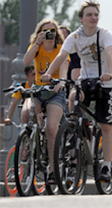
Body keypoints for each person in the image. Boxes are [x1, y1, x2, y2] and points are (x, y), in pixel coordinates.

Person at [42, 0, 112, 182]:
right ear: (81, 18)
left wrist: (110, 74)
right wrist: (47, 73)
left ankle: (106, 165)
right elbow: (61, 55)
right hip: (86, 79)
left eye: (96, 14)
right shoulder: (75, 37)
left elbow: (110, 54)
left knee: (106, 125)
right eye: (89, 15)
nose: (93, 18)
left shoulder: (105, 34)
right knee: (75, 94)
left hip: (106, 82)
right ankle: (74, 127)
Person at [23, 19, 69, 183]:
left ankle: (52, 169)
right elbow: (26, 62)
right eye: (45, 31)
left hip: (55, 92)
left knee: (51, 128)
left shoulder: (61, 50)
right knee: (28, 114)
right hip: (38, 90)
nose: (49, 33)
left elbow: (64, 68)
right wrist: (37, 42)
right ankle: (31, 149)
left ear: (57, 33)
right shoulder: (36, 47)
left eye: (52, 30)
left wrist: (62, 82)